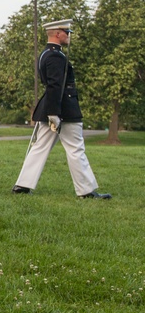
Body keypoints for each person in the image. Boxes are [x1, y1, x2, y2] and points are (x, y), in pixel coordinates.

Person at [13, 19, 111, 199]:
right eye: (67, 32)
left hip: (54, 107)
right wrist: (54, 114)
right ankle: (86, 190)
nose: (69, 35)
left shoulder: (46, 54)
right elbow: (55, 86)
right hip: (63, 108)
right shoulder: (55, 56)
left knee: (40, 147)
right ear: (57, 34)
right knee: (75, 148)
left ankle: (23, 185)